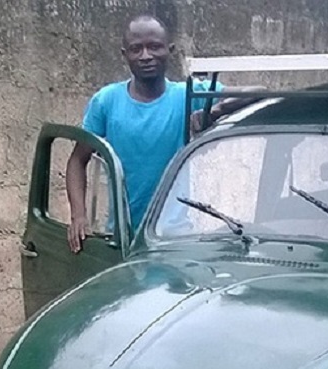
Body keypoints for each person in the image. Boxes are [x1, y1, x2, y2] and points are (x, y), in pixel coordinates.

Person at [64, 15, 246, 253]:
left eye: (155, 47)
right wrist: (78, 215)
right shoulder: (106, 101)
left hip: (176, 238)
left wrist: (215, 111)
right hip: (122, 238)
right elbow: (77, 160)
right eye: (136, 49)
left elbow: (257, 92)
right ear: (124, 54)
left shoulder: (189, 95)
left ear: (169, 50)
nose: (146, 56)